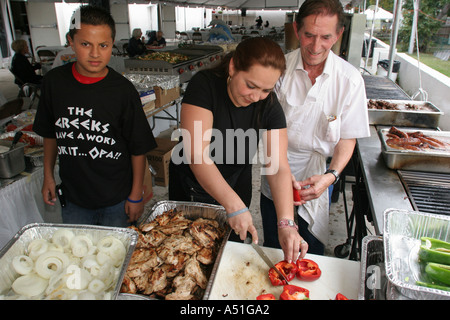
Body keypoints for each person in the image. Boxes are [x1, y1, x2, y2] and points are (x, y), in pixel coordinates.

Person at [169, 37, 307, 263]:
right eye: (250, 85)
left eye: (265, 89)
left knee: (228, 254)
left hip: (236, 180)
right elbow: (197, 155)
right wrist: (234, 206)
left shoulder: (268, 105)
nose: (255, 97)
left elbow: (278, 166)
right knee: (190, 254)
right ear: (233, 67)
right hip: (192, 186)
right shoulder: (204, 86)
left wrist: (286, 223)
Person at [260, 0, 370, 255]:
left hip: (318, 174)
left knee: (312, 250)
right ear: (297, 29)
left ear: (339, 34)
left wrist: (331, 176)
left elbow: (347, 138)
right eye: (309, 35)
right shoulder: (279, 70)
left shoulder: (349, 80)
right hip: (276, 168)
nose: (316, 46)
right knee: (276, 249)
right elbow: (265, 129)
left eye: (326, 37)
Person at [33, 5, 157, 227]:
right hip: (74, 199)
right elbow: (50, 134)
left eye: (103, 45)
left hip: (117, 199)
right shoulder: (54, 83)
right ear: (71, 41)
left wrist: (135, 194)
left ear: (112, 45)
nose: (95, 54)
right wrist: (48, 176)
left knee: (117, 257)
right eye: (85, 44)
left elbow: (137, 148)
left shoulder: (122, 91)